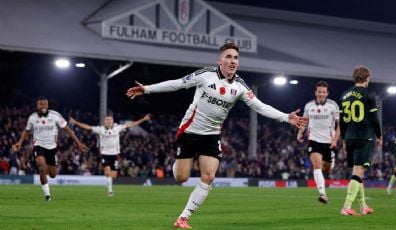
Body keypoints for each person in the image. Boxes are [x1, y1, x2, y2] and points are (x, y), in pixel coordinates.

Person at [126, 42, 308, 229]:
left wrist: (286, 117)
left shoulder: (240, 87)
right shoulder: (205, 75)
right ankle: (180, 163)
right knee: (181, 177)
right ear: (219, 60)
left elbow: (260, 106)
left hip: (211, 135)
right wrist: (147, 89)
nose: (232, 61)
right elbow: (177, 84)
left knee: (209, 176)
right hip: (189, 130)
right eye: (228, 57)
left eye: (236, 58)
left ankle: (183, 218)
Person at [12, 96, 88, 201]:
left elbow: (67, 129)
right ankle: (47, 195)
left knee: (53, 175)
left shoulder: (55, 115)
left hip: (52, 149)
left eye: (45, 103)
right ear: (37, 106)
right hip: (39, 146)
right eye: (40, 104)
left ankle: (47, 172)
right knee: (42, 168)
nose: (43, 105)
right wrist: (19, 142)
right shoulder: (32, 118)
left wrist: (78, 143)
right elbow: (27, 130)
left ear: (47, 105)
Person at [69, 113, 151, 196]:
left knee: (113, 175)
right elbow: (88, 127)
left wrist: (143, 119)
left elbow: (131, 124)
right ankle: (110, 191)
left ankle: (109, 185)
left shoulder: (118, 128)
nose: (108, 121)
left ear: (112, 121)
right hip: (105, 154)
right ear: (104, 121)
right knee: (107, 173)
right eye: (107, 120)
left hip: (115, 154)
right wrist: (76, 122)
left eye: (110, 120)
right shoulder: (100, 129)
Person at [339, 66, 382, 216]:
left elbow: (342, 123)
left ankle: (363, 206)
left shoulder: (344, 95)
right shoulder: (369, 94)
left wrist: (343, 139)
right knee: (358, 173)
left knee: (358, 173)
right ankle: (346, 206)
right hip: (364, 136)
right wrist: (379, 135)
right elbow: (375, 119)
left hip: (349, 137)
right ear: (366, 78)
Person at [297, 80, 340, 204]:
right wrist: (300, 133)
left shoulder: (333, 106)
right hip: (314, 140)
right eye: (319, 91)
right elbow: (304, 121)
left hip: (328, 141)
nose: (321, 94)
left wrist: (335, 139)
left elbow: (340, 125)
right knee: (317, 165)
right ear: (316, 92)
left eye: (324, 92)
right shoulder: (309, 106)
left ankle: (331, 159)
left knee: (327, 169)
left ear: (327, 93)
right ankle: (322, 193)